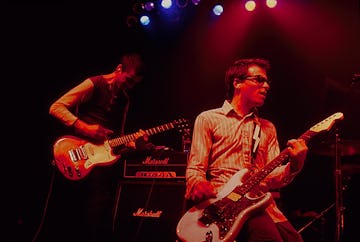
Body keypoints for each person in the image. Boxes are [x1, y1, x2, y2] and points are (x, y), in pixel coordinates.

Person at [184, 58, 308, 242]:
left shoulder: (267, 128)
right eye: (259, 79)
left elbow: (272, 178)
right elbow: (195, 168)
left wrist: (295, 165)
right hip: (221, 204)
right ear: (237, 83)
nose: (266, 86)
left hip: (260, 204)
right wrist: (197, 184)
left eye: (267, 81)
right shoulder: (208, 118)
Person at [47, 52, 149, 242]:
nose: (129, 86)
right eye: (128, 80)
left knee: (96, 214)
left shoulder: (125, 99)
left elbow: (117, 135)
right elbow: (56, 107)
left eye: (134, 84)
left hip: (100, 163)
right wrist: (84, 127)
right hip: (76, 155)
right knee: (68, 213)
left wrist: (134, 141)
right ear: (119, 69)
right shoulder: (94, 83)